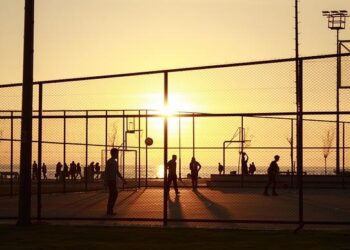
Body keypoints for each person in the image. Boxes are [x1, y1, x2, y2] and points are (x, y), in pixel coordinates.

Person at [105, 148, 126, 216]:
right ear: (113, 154)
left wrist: (122, 179)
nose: (117, 155)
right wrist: (106, 181)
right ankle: (109, 210)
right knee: (113, 194)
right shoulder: (109, 162)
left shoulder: (115, 162)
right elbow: (107, 172)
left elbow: (117, 172)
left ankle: (109, 210)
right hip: (110, 180)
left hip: (113, 180)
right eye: (116, 153)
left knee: (113, 194)